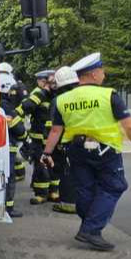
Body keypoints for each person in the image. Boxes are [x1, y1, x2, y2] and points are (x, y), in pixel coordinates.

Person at [42, 53, 131, 251]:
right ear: (92, 74)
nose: (104, 74)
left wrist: (46, 153)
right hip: (104, 149)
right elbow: (130, 126)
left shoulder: (62, 100)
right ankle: (90, 229)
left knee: (84, 188)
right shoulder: (108, 95)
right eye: (101, 71)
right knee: (115, 186)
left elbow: (56, 130)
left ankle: (90, 227)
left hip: (75, 150)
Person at [18, 69, 55, 204]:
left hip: (48, 137)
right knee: (42, 165)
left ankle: (50, 192)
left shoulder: (52, 94)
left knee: (50, 166)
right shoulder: (38, 94)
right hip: (40, 137)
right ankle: (43, 193)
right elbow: (26, 107)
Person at [49, 66, 80, 215]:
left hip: (66, 142)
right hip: (87, 139)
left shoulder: (58, 100)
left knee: (66, 173)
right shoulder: (85, 96)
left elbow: (55, 127)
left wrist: (48, 149)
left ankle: (68, 203)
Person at [0, 70, 27, 218]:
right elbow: (19, 129)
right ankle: (8, 208)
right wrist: (24, 136)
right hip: (8, 148)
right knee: (9, 178)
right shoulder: (6, 106)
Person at [0, 61, 28, 182]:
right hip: (14, 118)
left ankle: (19, 172)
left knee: (15, 151)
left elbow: (24, 102)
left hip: (14, 118)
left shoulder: (15, 85)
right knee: (15, 149)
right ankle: (18, 172)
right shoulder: (13, 83)